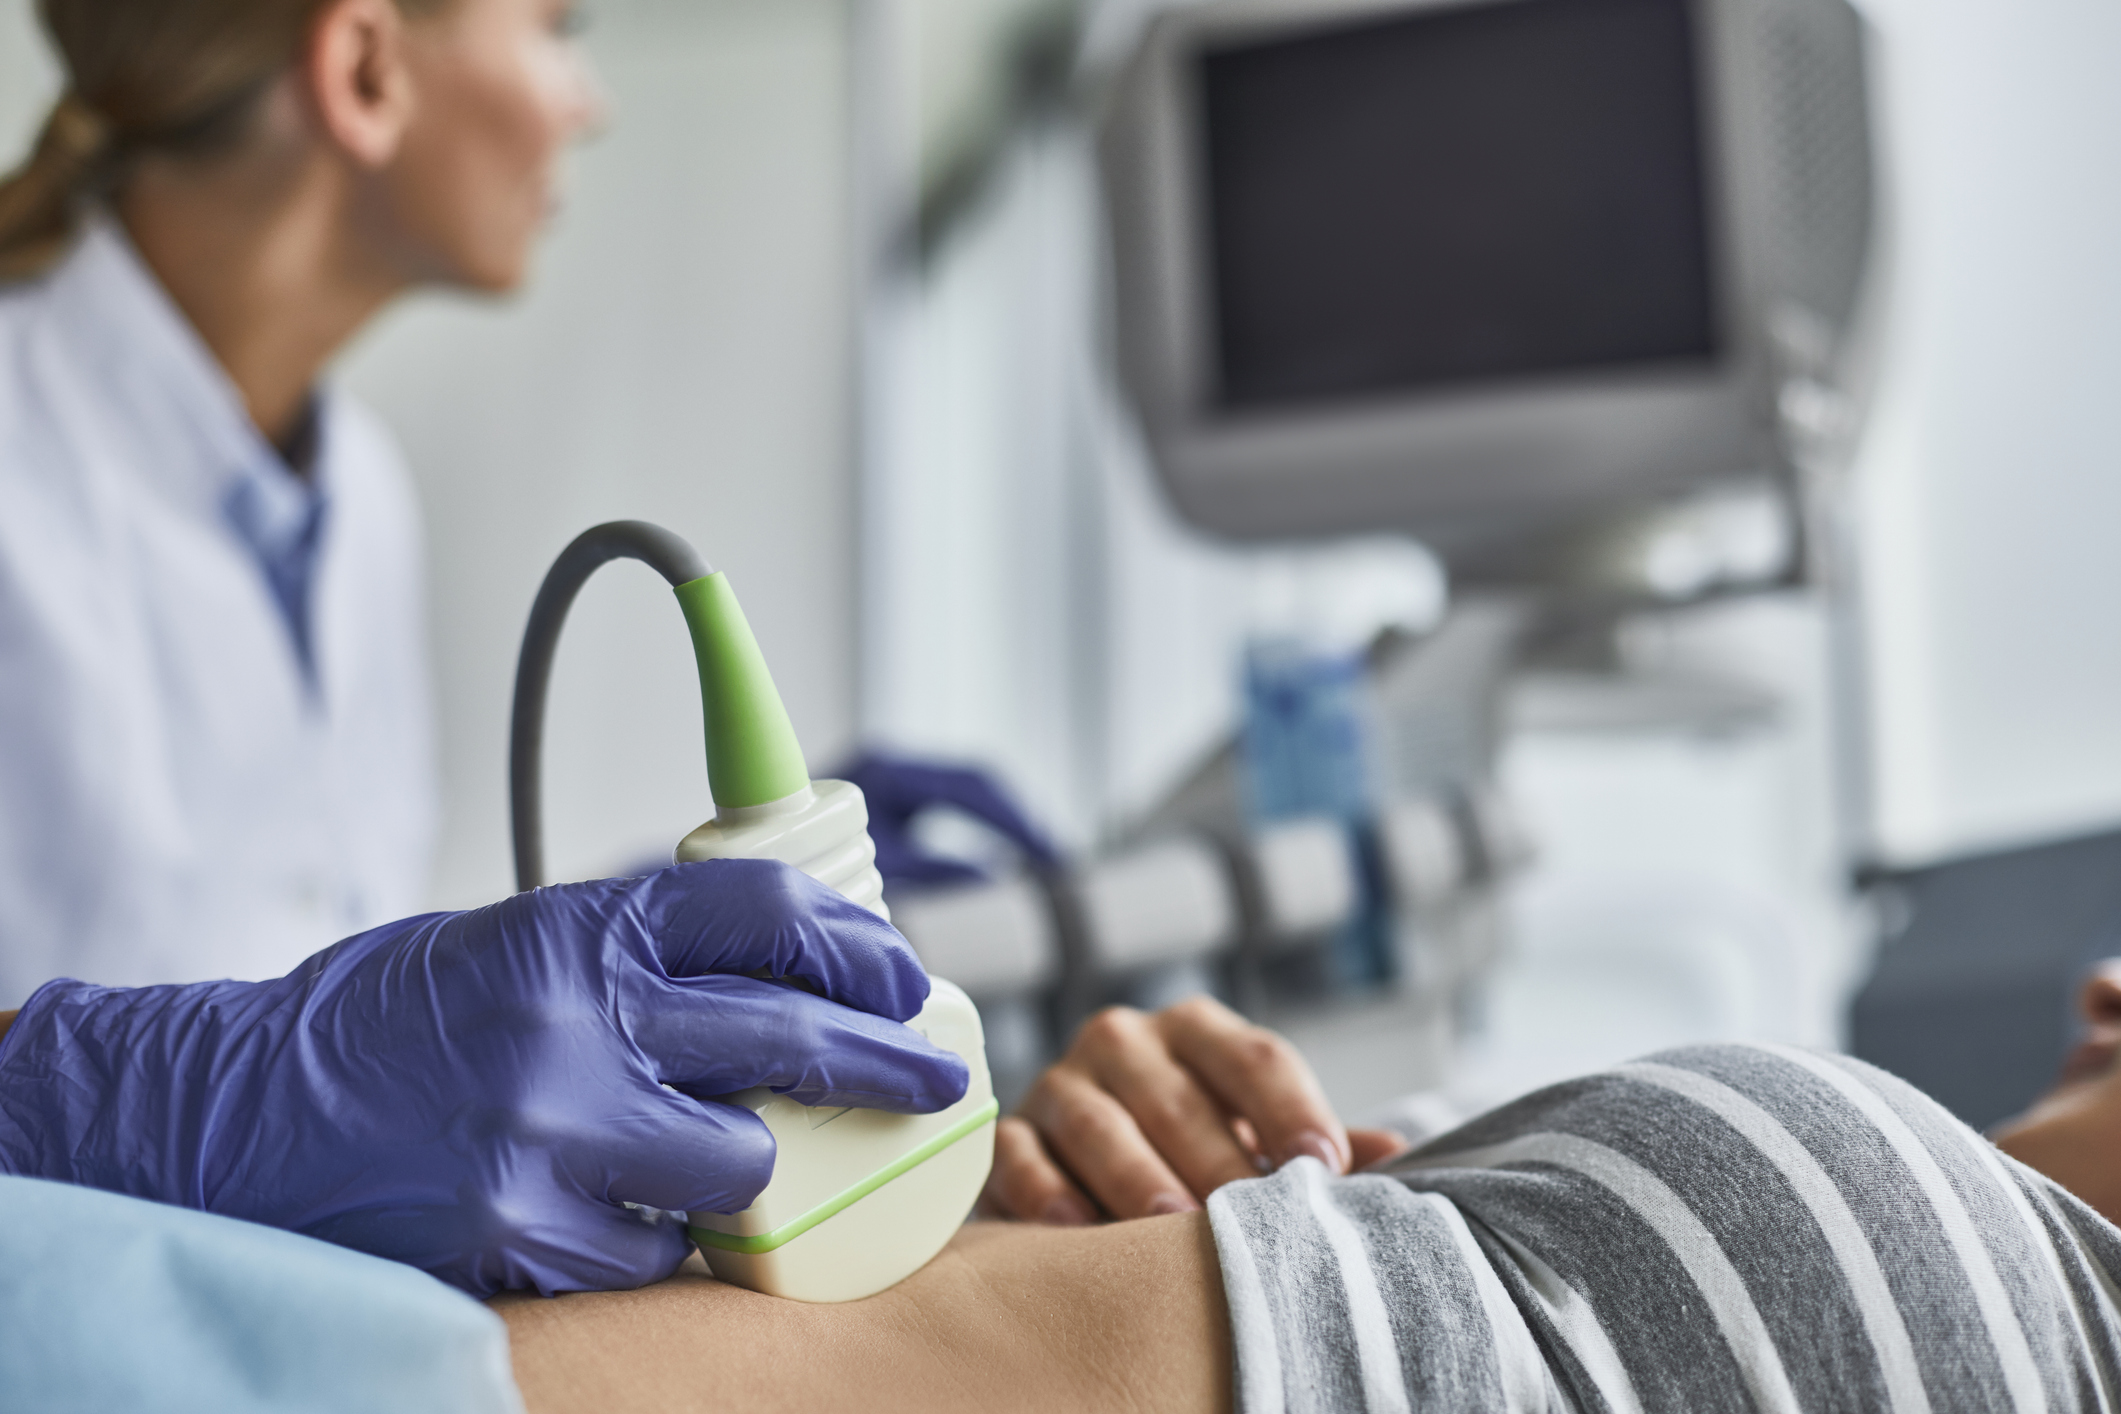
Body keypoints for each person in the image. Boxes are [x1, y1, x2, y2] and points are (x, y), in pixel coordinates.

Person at [0, 0, 610, 1001]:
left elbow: (326, 977)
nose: (590, 105)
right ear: (365, 70)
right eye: (559, 28)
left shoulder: (364, 494)